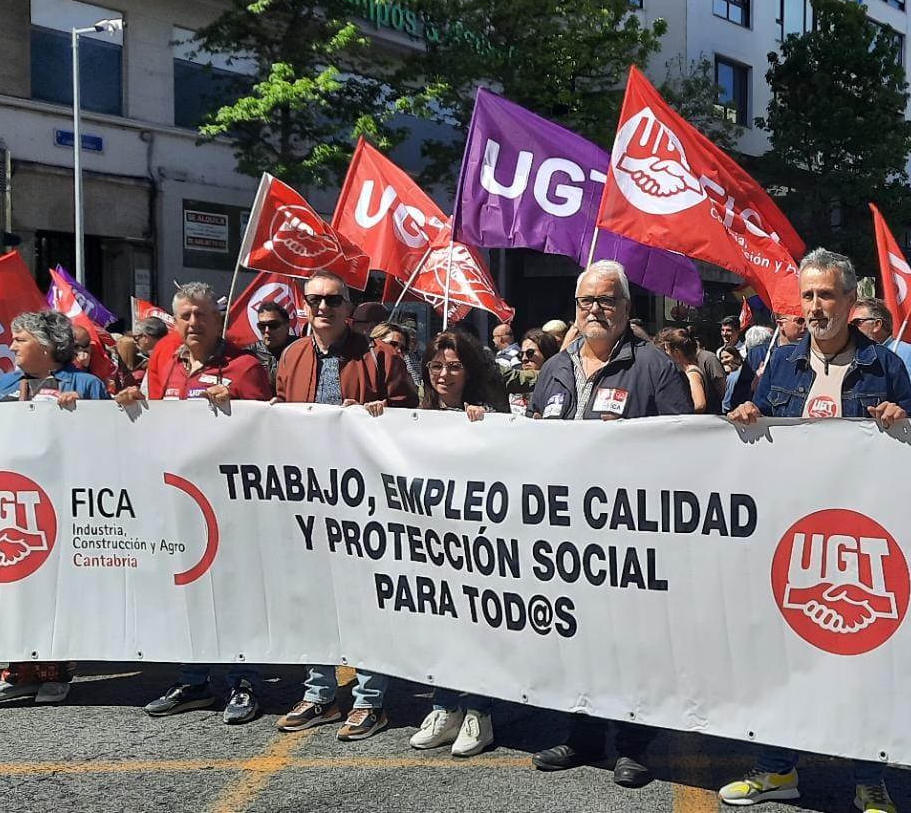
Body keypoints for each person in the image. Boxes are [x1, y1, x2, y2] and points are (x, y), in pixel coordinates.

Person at [721, 249, 911, 811]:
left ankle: (868, 778)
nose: (814, 307)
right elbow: (753, 426)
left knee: (862, 657)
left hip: (863, 534)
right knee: (780, 656)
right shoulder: (778, 363)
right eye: (807, 296)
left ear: (851, 302)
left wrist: (903, 420)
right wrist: (744, 418)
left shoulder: (886, 365)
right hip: (788, 534)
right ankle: (774, 769)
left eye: (826, 295)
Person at [529, 260, 690, 789]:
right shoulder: (555, 367)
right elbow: (526, 441)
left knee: (631, 643)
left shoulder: (653, 368)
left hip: (630, 536)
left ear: (626, 308)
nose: (594, 310)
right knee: (576, 638)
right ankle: (582, 734)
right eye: (585, 302)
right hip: (565, 536)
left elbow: (683, 448)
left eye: (605, 301)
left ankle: (634, 744)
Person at [117, 283, 272, 724]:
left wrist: (240, 404)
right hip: (178, 500)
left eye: (201, 315)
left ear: (217, 318)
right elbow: (149, 418)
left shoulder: (243, 366)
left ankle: (245, 681)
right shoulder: (164, 359)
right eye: (185, 315)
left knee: (235, 593)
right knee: (187, 590)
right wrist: (131, 402)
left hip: (232, 504)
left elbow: (271, 430)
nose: (193, 323)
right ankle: (194, 679)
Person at [273, 271, 418, 740]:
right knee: (312, 597)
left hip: (366, 500)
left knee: (367, 598)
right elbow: (276, 412)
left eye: (332, 299)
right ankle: (319, 694)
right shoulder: (291, 354)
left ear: (348, 306)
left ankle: (371, 701)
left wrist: (380, 415)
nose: (322, 306)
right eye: (313, 298)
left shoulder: (380, 354)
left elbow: (410, 417)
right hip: (308, 495)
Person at [0, 311, 110, 704]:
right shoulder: (3, 384)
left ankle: (56, 671)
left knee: (58, 589)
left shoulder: (86, 384)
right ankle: (18, 672)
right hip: (14, 505)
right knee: (14, 587)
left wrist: (87, 414)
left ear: (47, 346)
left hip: (65, 504)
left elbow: (116, 440)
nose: (11, 346)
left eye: (21, 339)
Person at [404, 329, 505, 758]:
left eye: (455, 366)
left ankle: (478, 713)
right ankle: (445, 706)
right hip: (431, 539)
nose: (444, 374)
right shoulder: (414, 414)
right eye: (436, 366)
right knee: (440, 621)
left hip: (477, 539)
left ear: (471, 371)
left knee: (475, 622)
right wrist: (372, 415)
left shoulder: (488, 414)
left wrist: (490, 426)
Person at [849, 297, 911, 414]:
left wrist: (898, 388)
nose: (852, 328)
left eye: (857, 322)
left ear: (877, 325)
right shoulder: (855, 355)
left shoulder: (906, 353)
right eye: (851, 324)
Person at [659, 329, 711, 413]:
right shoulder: (685, 371)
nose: (666, 353)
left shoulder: (692, 374)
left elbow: (700, 404)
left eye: (667, 349)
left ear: (676, 352)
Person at [252, 300, 299, 384]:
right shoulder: (250, 353)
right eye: (262, 326)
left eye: (273, 325)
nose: (267, 330)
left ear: (287, 325)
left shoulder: (301, 349)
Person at [718, 346, 745, 415]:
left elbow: (727, 403)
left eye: (727, 357)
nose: (724, 360)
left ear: (736, 357)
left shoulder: (733, 376)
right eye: (721, 358)